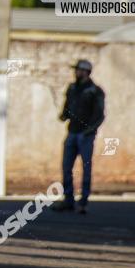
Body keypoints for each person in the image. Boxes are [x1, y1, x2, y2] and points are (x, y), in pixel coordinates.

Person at [53, 59, 105, 214]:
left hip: (85, 136)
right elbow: (67, 107)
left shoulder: (95, 91)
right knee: (66, 167)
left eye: (79, 70)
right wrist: (64, 115)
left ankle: (83, 202)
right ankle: (68, 200)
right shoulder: (72, 88)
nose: (76, 72)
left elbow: (100, 115)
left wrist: (89, 131)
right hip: (72, 132)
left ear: (86, 72)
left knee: (86, 168)